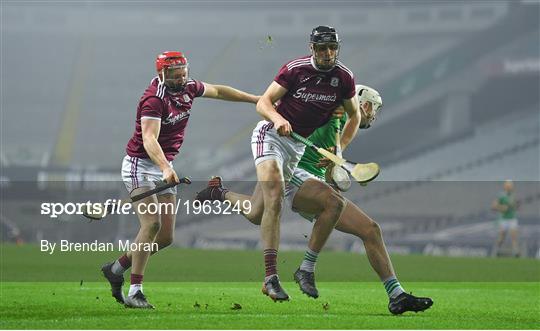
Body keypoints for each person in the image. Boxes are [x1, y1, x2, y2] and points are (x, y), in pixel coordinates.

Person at [197, 84, 434, 315]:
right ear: (358, 101)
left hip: (310, 179)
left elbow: (329, 172)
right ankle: (306, 268)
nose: (372, 113)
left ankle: (397, 295)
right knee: (331, 203)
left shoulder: (342, 127)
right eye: (371, 107)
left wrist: (338, 168)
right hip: (291, 170)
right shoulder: (334, 109)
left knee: (370, 229)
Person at [201, 25, 359, 302]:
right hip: (271, 136)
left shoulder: (344, 78)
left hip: (297, 146)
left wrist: (339, 149)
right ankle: (271, 278)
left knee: (257, 213)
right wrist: (277, 118)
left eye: (332, 47)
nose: (327, 53)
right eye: (321, 48)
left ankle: (219, 192)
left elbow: (354, 117)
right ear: (312, 48)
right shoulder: (295, 69)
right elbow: (263, 102)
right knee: (275, 200)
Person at [101, 51, 259, 309]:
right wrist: (164, 167)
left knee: (165, 237)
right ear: (161, 74)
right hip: (140, 165)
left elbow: (218, 91)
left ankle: (116, 269)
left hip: (164, 165)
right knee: (151, 225)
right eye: (174, 76)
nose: (181, 80)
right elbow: (149, 139)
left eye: (183, 74)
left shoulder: (189, 88)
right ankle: (136, 291)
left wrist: (256, 99)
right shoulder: (154, 100)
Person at [492, 180, 520, 257]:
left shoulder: (513, 195)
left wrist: (516, 206)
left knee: (514, 236)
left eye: (510, 185)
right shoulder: (501, 196)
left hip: (512, 218)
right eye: (508, 185)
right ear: (505, 186)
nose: (509, 187)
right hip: (504, 219)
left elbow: (517, 206)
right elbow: (494, 206)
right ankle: (497, 250)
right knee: (501, 237)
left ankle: (516, 252)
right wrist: (501, 207)